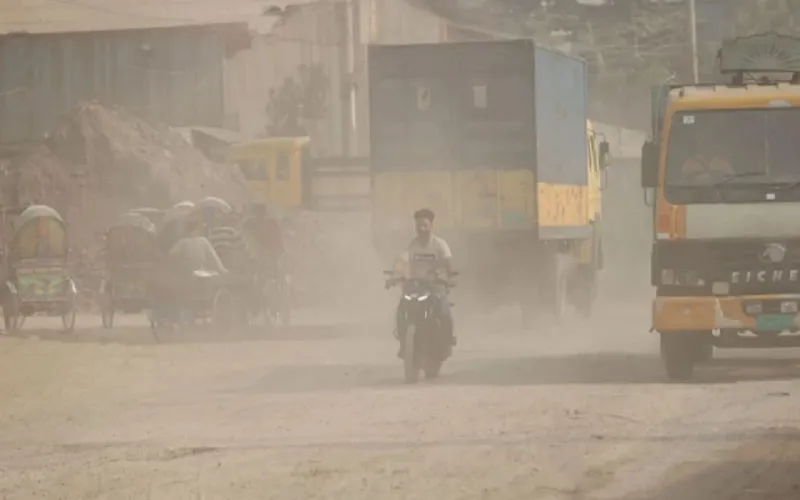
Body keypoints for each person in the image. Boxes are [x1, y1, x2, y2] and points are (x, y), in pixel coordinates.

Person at [387, 208, 456, 356]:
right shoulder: (413, 245)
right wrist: (395, 275)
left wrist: (450, 277)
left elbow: (447, 261)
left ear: (431, 226)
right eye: (418, 226)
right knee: (401, 309)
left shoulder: (440, 244)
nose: (421, 229)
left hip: (436, 285)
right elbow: (401, 260)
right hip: (415, 285)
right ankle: (404, 344)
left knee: (444, 312)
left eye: (425, 225)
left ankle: (447, 341)